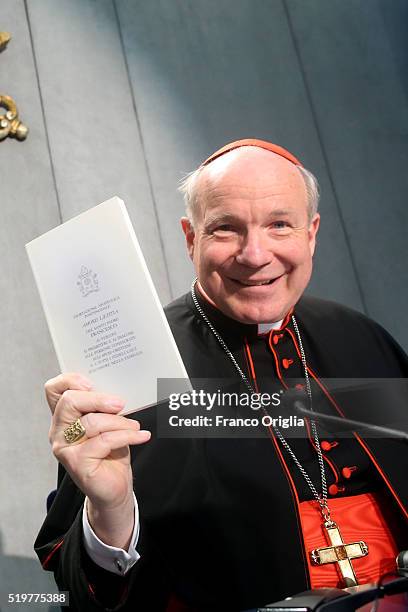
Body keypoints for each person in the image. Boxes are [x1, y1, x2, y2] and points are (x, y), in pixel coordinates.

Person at [35, 139, 408, 611]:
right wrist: (110, 510)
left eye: (279, 225)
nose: (255, 255)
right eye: (226, 229)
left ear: (310, 233)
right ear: (192, 238)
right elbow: (82, 588)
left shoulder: (358, 337)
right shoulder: (136, 366)